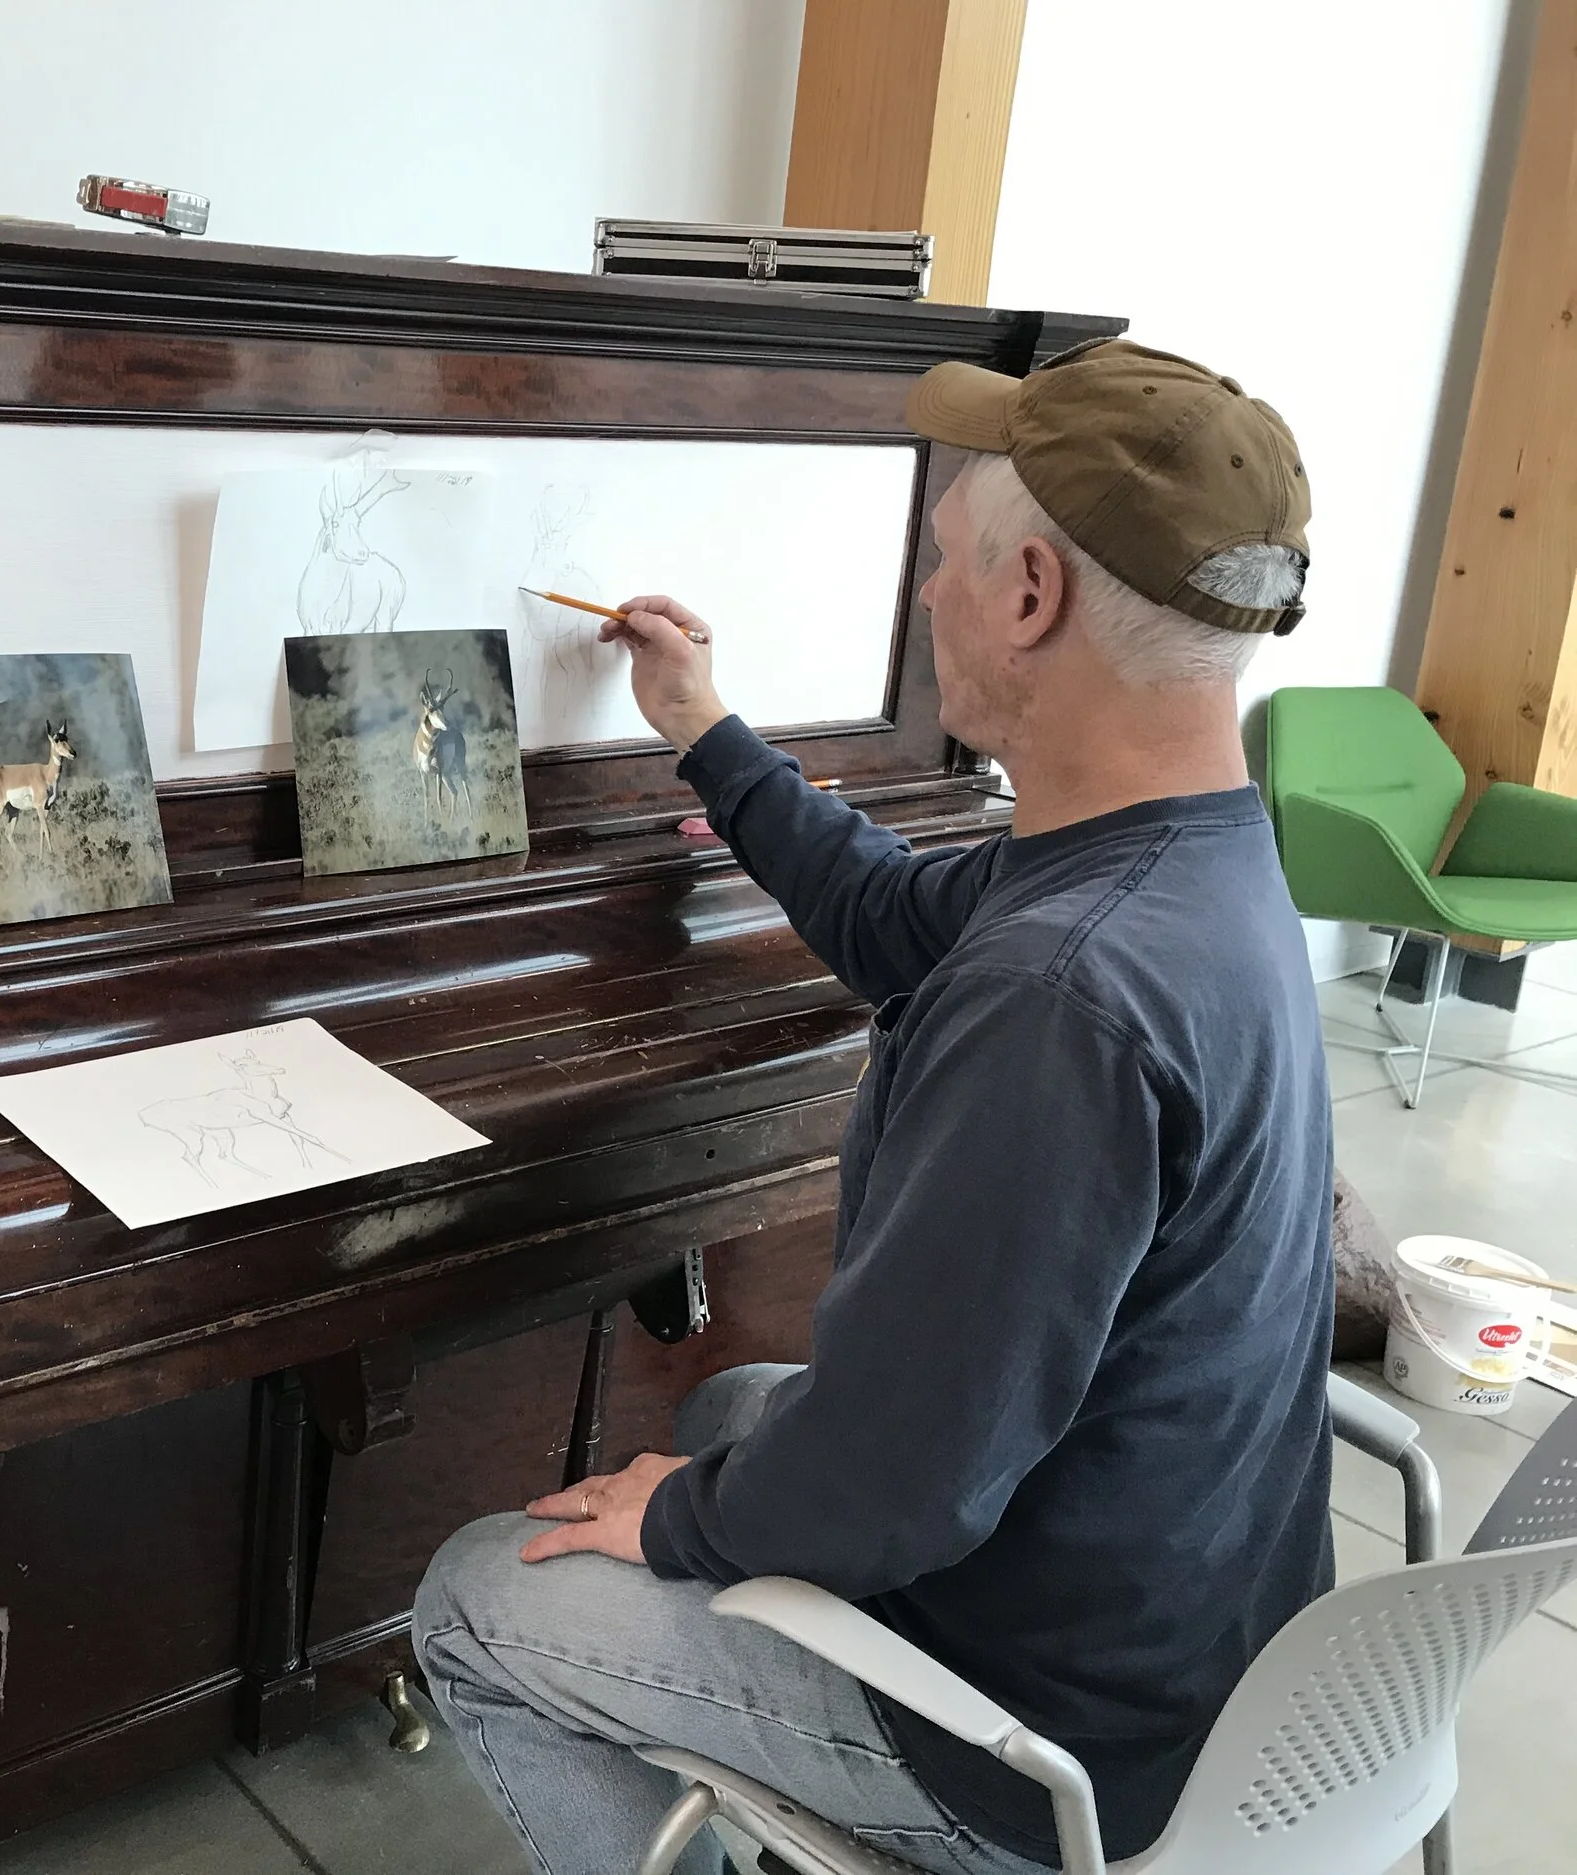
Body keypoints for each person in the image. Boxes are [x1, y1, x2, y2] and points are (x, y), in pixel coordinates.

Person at [411, 340, 1333, 1875]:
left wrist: (684, 1524)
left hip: (1050, 1747)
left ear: (1030, 594)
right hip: (1204, 1642)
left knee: (472, 1590)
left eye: (944, 561)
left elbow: (899, 1477)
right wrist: (705, 728)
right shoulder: (1189, 856)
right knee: (726, 1410)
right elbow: (896, 912)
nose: (926, 598)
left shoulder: (1064, 994)